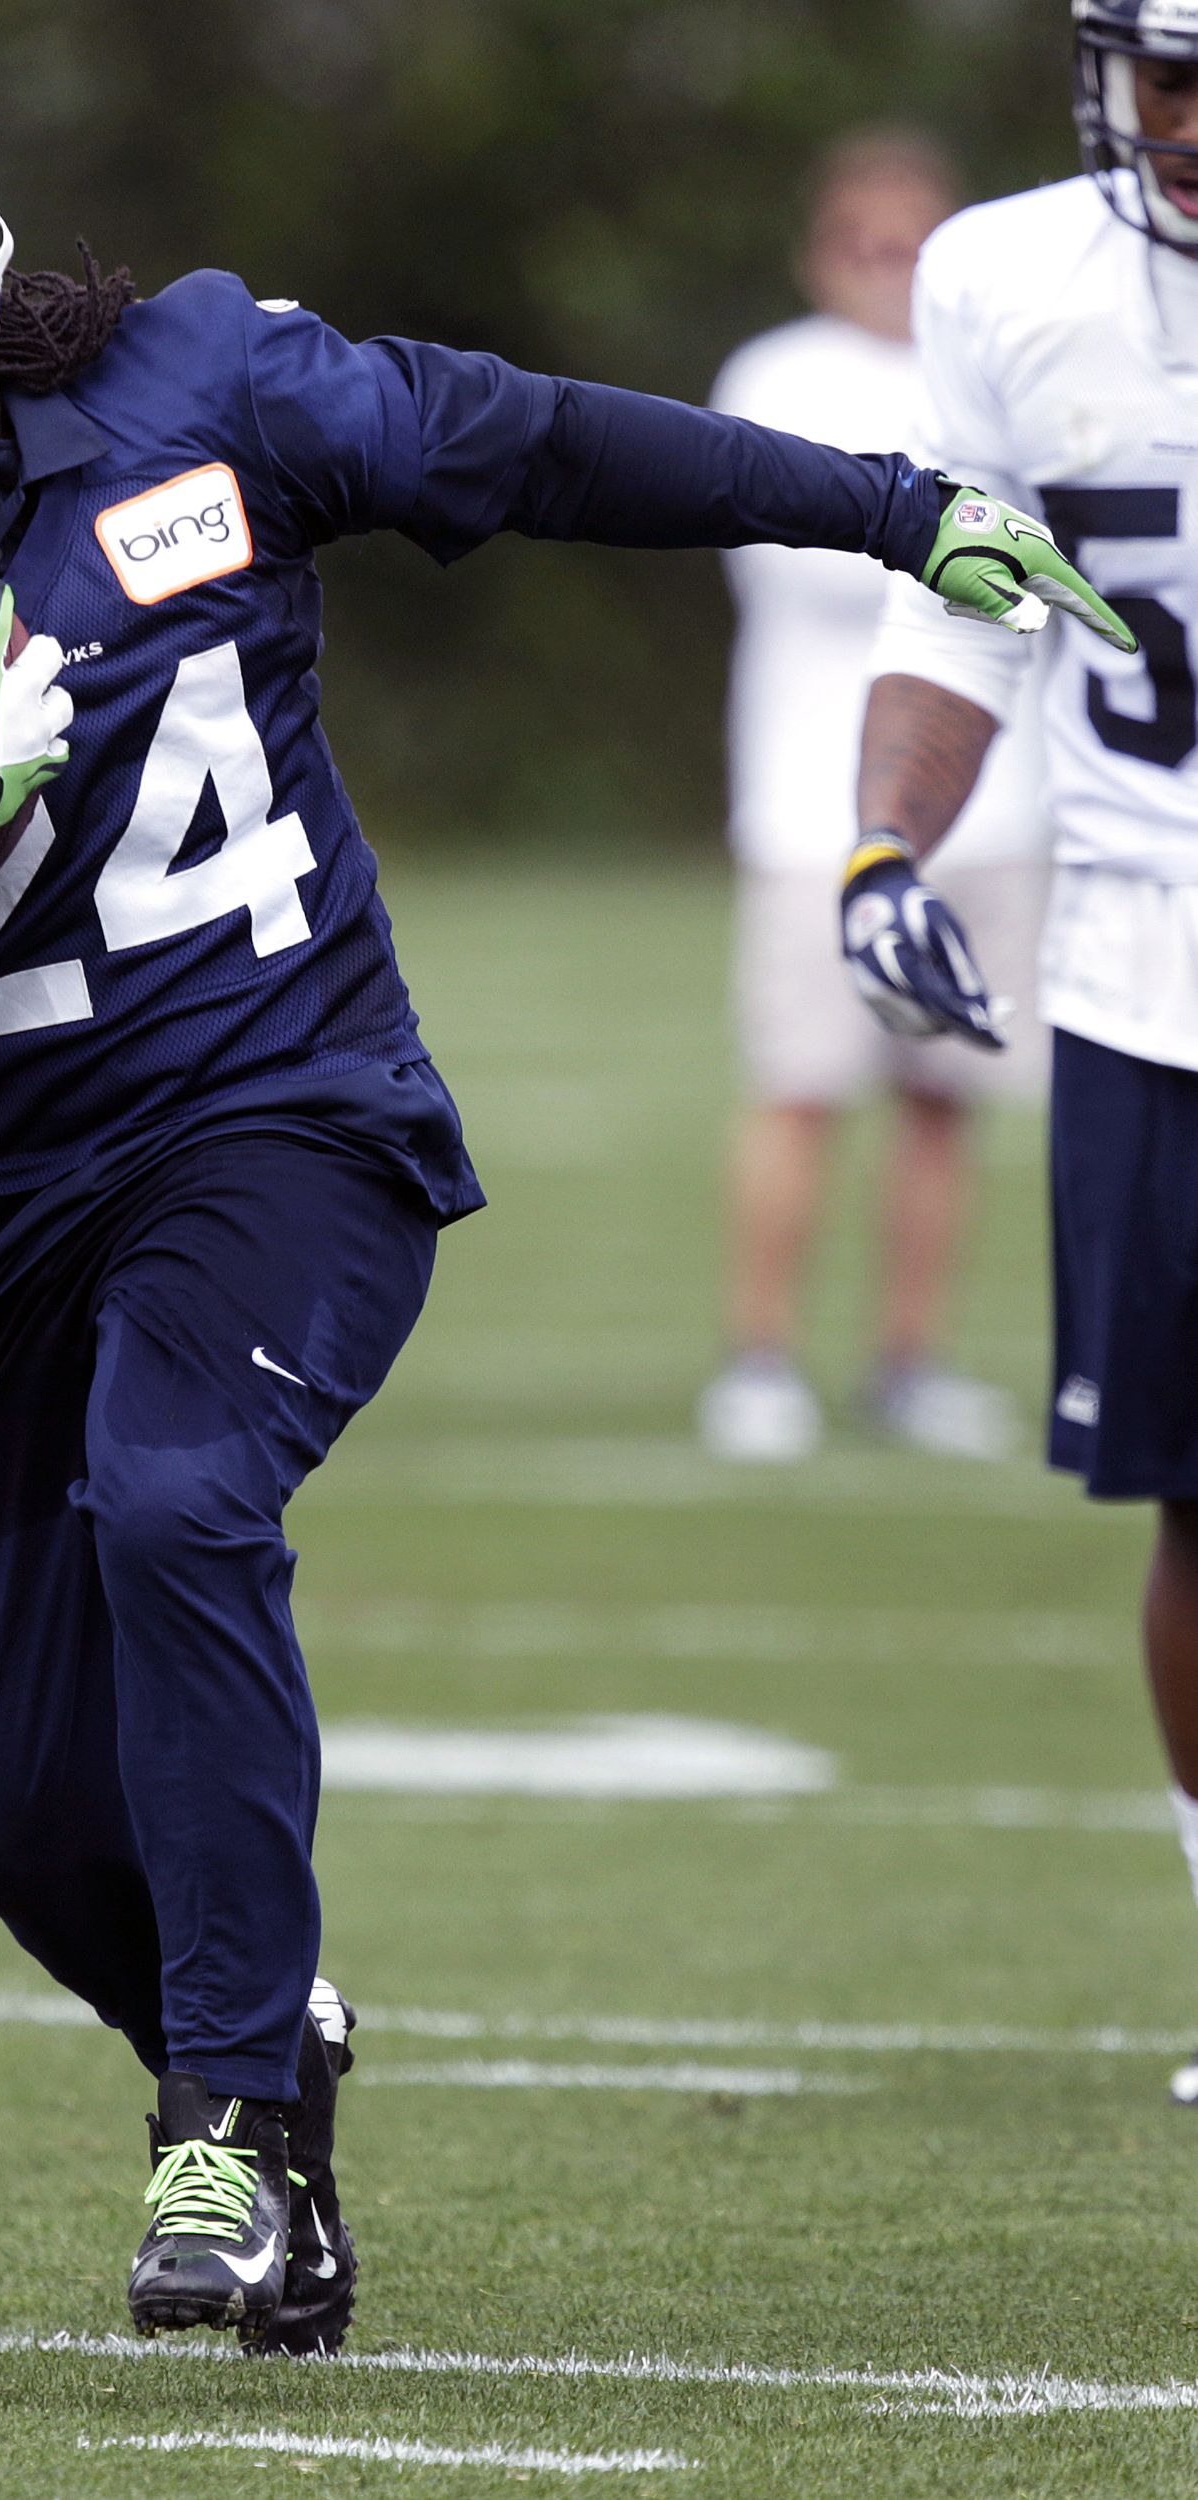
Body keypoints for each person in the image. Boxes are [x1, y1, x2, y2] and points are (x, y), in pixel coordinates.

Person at [0, 71, 1126, 2349]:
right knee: (7, 1812)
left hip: (276, 1118)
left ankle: (222, 2126)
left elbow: (534, 440)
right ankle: (263, 2056)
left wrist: (893, 508)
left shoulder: (200, 391)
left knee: (177, 1490)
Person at [847, 0, 1198, 2102]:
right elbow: (967, 596)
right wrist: (886, 840)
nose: (1184, 123)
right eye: (1166, 74)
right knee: (1188, 1496)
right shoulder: (1002, 276)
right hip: (1142, 960)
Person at [701, 131, 1052, 1466]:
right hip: (813, 808)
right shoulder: (777, 372)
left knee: (946, 1098)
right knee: (801, 1086)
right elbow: (809, 560)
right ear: (818, 246)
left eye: (914, 242)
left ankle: (910, 1362)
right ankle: (761, 1358)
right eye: (865, 237)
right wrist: (959, 536)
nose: (888, 266)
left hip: (996, 804)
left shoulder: (1004, 377)